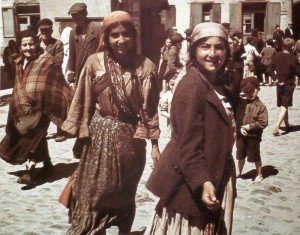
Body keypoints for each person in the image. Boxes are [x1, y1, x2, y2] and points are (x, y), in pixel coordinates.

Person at [58, 11, 161, 234]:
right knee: (93, 193)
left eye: (126, 34)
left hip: (131, 140)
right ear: (107, 37)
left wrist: (154, 145)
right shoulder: (95, 62)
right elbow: (82, 98)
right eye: (115, 35)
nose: (121, 40)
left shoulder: (146, 67)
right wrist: (80, 131)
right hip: (99, 134)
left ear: (134, 37)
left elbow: (150, 109)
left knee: (124, 193)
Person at [145, 22, 237, 235]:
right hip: (192, 179)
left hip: (216, 170)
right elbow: (187, 144)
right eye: (205, 46)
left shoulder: (218, 82)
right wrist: (203, 181)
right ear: (194, 50)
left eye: (219, 47)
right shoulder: (191, 87)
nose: (213, 53)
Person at [0, 29, 72, 186]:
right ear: (20, 46)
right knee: (30, 137)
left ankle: (30, 172)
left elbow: (56, 82)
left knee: (34, 138)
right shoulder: (19, 61)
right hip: (20, 108)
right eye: (24, 45)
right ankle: (48, 166)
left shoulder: (47, 61)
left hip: (42, 108)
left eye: (31, 44)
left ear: (37, 44)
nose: (28, 48)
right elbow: (17, 82)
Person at [37, 18, 67, 142]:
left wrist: (43, 50)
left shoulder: (57, 44)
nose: (44, 33)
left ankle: (61, 131)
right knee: (41, 107)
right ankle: (40, 133)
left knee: (57, 107)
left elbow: (57, 63)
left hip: (55, 80)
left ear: (51, 31)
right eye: (42, 31)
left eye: (47, 31)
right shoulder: (35, 43)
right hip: (40, 80)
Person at [236, 76, 268, 183]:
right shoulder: (242, 104)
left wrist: (250, 127)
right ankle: (239, 172)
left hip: (254, 137)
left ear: (258, 89)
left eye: (251, 91)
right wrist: (240, 129)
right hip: (241, 134)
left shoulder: (261, 107)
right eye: (246, 92)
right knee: (240, 155)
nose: (249, 94)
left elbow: (263, 122)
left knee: (255, 156)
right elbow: (237, 119)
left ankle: (259, 174)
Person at [267, 38, 300, 136]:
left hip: (279, 84)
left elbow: (269, 70)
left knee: (283, 105)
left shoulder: (277, 56)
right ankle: (276, 128)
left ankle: (286, 124)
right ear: (292, 47)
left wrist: (276, 79)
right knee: (284, 106)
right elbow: (299, 72)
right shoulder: (293, 58)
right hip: (288, 85)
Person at [67, 2, 104, 88]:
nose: (75, 18)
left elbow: (104, 50)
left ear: (85, 14)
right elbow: (72, 55)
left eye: (77, 15)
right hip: (81, 71)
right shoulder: (73, 32)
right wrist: (71, 76)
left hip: (97, 70)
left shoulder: (97, 28)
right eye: (73, 16)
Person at [159, 69, 179, 134]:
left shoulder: (183, 94)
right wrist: (171, 115)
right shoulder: (167, 96)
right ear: (167, 84)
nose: (174, 87)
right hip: (172, 125)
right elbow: (162, 111)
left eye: (177, 84)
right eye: (172, 85)